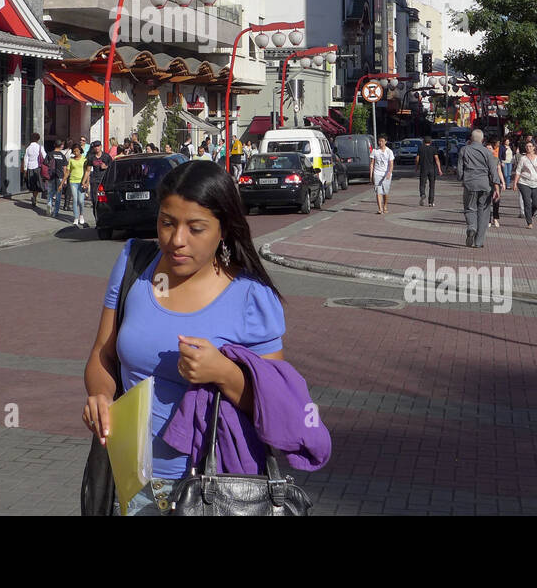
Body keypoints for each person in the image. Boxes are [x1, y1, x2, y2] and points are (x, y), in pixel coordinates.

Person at [81, 160, 328, 516]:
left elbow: (278, 405)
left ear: (224, 229)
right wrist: (100, 396)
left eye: (196, 228)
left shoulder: (251, 296)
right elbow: (102, 357)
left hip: (212, 491)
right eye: (167, 223)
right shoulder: (133, 264)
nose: (177, 240)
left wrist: (223, 372)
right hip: (131, 485)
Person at [457, 130, 500, 248]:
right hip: (485, 184)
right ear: (482, 140)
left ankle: (471, 227)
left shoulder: (464, 150)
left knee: (470, 208)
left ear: (471, 138)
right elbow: (493, 170)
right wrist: (497, 187)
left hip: (470, 184)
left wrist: (461, 178)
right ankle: (479, 242)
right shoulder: (487, 152)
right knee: (484, 213)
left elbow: (460, 169)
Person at [512, 141, 537, 229]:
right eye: (527, 146)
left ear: (534, 148)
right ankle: (529, 222)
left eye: (530, 146)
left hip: (536, 183)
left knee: (536, 204)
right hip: (524, 182)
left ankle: (530, 214)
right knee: (527, 202)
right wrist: (515, 183)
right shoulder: (523, 158)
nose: (528, 148)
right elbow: (518, 171)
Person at [369, 135, 395, 215]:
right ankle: (380, 209)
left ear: (385, 142)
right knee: (378, 191)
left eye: (382, 141)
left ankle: (385, 205)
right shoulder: (375, 151)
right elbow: (372, 163)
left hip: (386, 174)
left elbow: (391, 164)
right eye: (379, 141)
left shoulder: (389, 151)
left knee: (385, 192)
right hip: (377, 173)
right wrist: (371, 175)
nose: (380, 143)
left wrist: (389, 172)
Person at [416, 135, 443, 207]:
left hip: (423, 168)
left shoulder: (420, 148)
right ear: (430, 142)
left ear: (423, 141)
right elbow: (436, 159)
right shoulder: (433, 149)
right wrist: (439, 169)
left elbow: (417, 159)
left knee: (422, 184)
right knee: (432, 186)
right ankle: (431, 202)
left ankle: (422, 194)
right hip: (432, 169)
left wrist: (416, 167)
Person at [67, 145, 89, 228]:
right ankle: (76, 218)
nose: (76, 153)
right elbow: (68, 171)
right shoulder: (71, 160)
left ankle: (81, 215)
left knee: (81, 201)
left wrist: (87, 182)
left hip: (82, 182)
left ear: (80, 151)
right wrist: (63, 181)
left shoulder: (84, 159)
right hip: (73, 181)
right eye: (74, 151)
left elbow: (87, 172)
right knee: (75, 200)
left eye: (77, 151)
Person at [22, 133, 46, 209]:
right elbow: (45, 156)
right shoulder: (39, 147)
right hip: (37, 167)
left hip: (30, 167)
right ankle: (35, 197)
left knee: (32, 184)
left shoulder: (28, 148)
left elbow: (26, 159)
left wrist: (25, 169)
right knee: (37, 183)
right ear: (38, 139)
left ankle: (34, 197)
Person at [46, 139, 68, 219]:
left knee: (50, 193)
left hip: (51, 176)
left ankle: (49, 205)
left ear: (54, 145)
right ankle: (55, 212)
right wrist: (65, 179)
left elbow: (45, 164)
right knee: (58, 195)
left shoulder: (50, 154)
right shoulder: (62, 156)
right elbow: (65, 168)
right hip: (60, 176)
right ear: (61, 146)